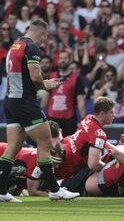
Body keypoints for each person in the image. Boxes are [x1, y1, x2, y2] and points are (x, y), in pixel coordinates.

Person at [0, 19, 79, 202]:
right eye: (45, 37)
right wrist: (47, 85)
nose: (44, 41)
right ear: (42, 33)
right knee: (45, 144)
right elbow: (36, 77)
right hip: (26, 102)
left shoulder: (14, 46)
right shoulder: (32, 47)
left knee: (14, 146)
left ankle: (2, 190)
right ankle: (54, 189)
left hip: (10, 101)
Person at [53, 97, 117, 179]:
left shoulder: (89, 118)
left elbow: (94, 140)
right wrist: (111, 170)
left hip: (65, 149)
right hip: (66, 170)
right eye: (111, 113)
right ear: (102, 114)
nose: (114, 116)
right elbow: (93, 165)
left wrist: (113, 148)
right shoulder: (99, 135)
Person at [41, 50, 86, 137]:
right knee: (51, 145)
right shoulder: (52, 76)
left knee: (68, 146)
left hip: (69, 119)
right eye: (61, 58)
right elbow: (46, 97)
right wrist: (39, 113)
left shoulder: (77, 78)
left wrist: (83, 119)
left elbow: (80, 100)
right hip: (52, 118)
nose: (63, 60)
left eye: (65, 58)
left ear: (70, 60)